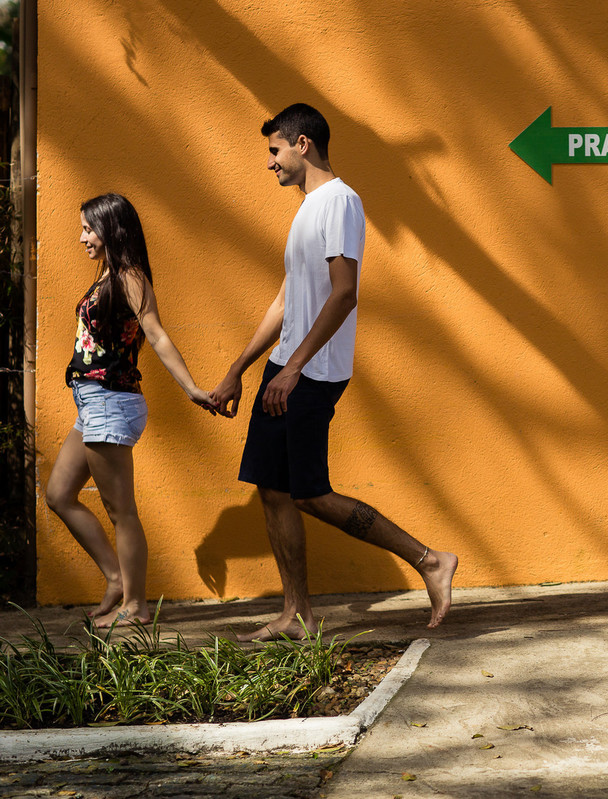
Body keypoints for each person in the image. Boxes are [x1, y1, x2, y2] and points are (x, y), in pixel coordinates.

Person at [210, 103, 458, 640]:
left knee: (309, 493)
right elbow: (286, 300)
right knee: (273, 490)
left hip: (313, 371)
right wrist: (238, 368)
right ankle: (296, 612)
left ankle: (430, 560)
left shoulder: (340, 202)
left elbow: (344, 294)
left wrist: (294, 367)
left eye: (274, 150)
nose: (269, 162)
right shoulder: (306, 209)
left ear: (303, 145)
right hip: (286, 368)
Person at [45, 193, 215, 628]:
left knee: (122, 511)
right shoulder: (106, 274)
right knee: (59, 495)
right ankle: (116, 579)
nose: (81, 236)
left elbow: (155, 335)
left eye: (88, 228)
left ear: (110, 229)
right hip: (92, 402)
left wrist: (191, 387)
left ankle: (136, 606)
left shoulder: (130, 276)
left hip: (110, 401)